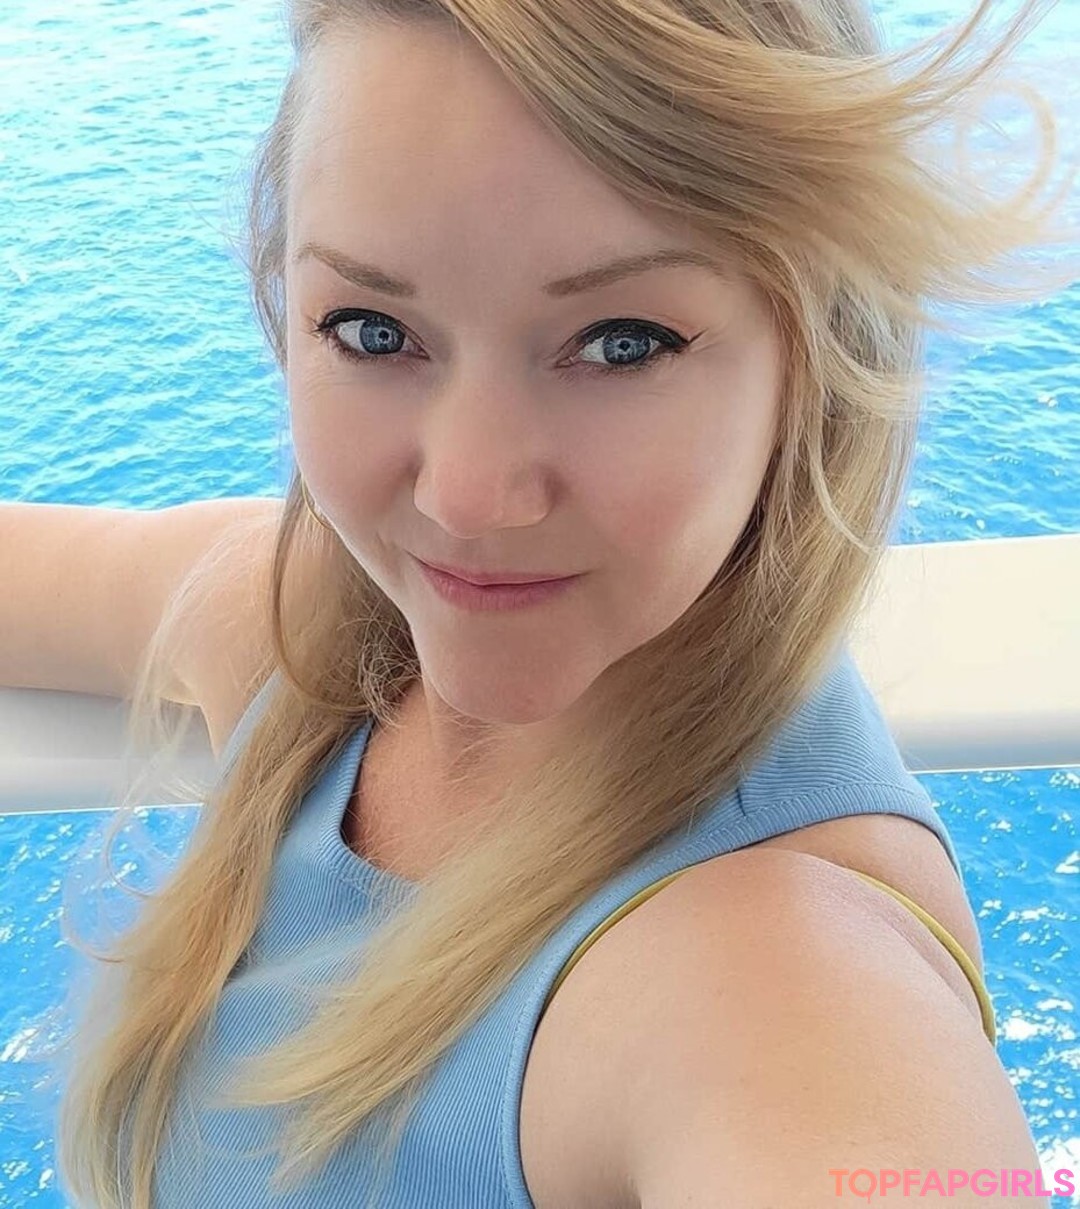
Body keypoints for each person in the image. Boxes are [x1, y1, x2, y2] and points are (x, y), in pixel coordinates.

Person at [43, 0, 1076, 1206]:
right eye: (371, 330)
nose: (470, 494)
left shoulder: (791, 994)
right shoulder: (310, 640)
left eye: (621, 342)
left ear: (812, 353)